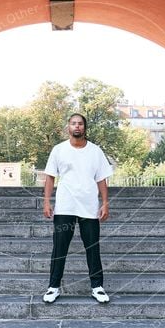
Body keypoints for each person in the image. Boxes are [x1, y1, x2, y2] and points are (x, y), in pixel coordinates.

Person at [42, 113, 113, 304]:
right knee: (59, 247)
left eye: (80, 124)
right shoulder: (58, 150)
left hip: (89, 206)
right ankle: (53, 287)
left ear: (85, 128)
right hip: (65, 205)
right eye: (73, 123)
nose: (77, 126)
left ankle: (97, 287)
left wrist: (105, 203)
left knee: (92, 247)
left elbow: (101, 179)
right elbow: (50, 176)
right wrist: (47, 202)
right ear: (68, 127)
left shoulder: (95, 151)